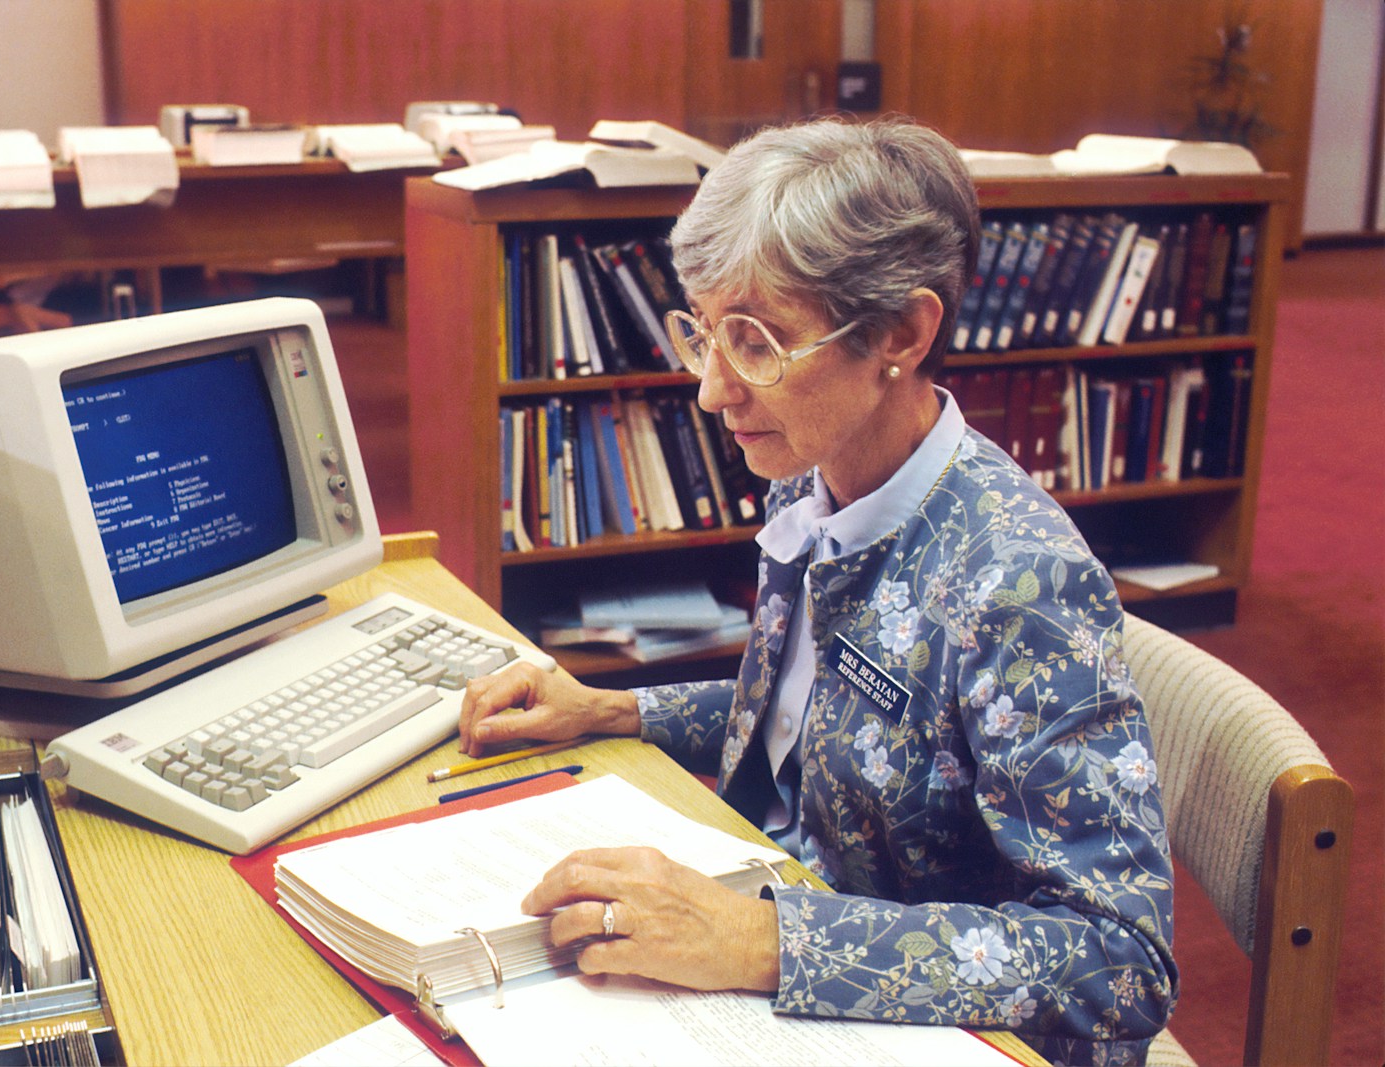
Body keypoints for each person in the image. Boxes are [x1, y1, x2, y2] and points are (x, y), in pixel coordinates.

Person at [459, 115, 1177, 1066]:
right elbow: (824, 711)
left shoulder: (1019, 580)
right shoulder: (819, 471)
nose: (713, 390)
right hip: (798, 948)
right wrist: (618, 708)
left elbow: (1118, 959)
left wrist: (761, 938)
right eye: (704, 333)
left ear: (904, 333)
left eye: (755, 341)